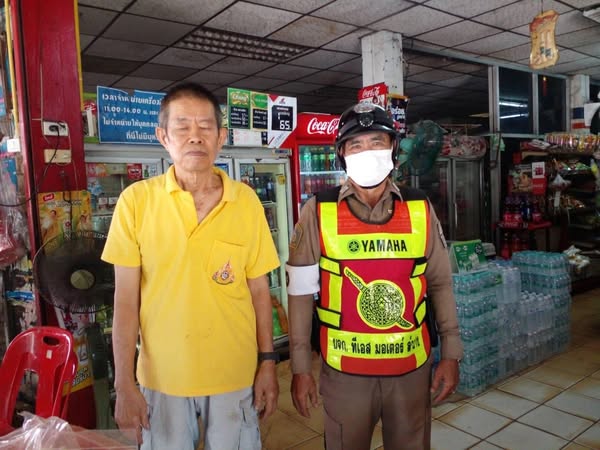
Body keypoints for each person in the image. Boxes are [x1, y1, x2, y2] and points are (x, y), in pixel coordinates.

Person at [101, 82, 281, 450]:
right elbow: (126, 302)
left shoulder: (246, 202)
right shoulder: (135, 202)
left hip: (234, 374)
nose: (195, 136)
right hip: (162, 379)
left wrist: (267, 362)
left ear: (221, 137)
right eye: (182, 126)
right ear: (163, 137)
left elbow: (260, 291)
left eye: (205, 126)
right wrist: (124, 383)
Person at [286, 102, 463, 450]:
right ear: (341, 154)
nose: (367, 152)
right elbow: (301, 295)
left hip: (410, 370)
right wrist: (300, 368)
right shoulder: (317, 210)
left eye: (376, 142)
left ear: (393, 148)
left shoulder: (419, 207)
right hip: (345, 374)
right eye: (356, 145)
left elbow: (440, 283)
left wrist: (451, 353)